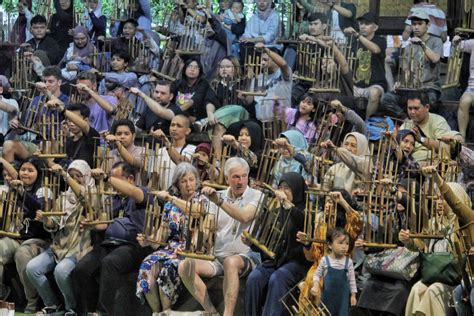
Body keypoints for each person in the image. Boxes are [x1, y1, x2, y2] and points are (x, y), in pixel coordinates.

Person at [178, 157, 262, 316]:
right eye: (236, 177)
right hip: (217, 257)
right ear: (227, 178)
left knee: (231, 262)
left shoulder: (256, 196)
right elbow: (208, 226)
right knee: (185, 266)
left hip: (246, 256)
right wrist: (194, 243)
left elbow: (244, 216)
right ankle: (211, 311)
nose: (241, 181)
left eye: (244, 176)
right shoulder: (219, 196)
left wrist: (219, 201)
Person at [72, 162, 151, 315]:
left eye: (116, 180)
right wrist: (91, 225)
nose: (111, 184)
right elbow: (103, 224)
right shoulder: (112, 199)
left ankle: (103, 312)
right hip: (108, 244)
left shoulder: (142, 193)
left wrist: (107, 177)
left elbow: (133, 192)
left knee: (109, 263)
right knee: (81, 269)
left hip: (132, 246)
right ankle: (84, 311)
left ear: (130, 179)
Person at [26, 160, 95, 315]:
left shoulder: (92, 195)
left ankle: (71, 308)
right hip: (58, 247)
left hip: (79, 249)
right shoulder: (63, 198)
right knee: (32, 268)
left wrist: (64, 175)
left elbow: (84, 197)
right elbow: (54, 225)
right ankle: (53, 305)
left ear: (86, 176)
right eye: (71, 176)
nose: (74, 179)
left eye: (78, 176)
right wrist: (46, 219)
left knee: (61, 271)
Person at [136, 162, 206, 313]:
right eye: (183, 181)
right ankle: (157, 312)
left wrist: (170, 198)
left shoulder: (202, 201)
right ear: (177, 184)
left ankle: (167, 311)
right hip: (171, 248)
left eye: (191, 179)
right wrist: (148, 240)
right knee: (146, 265)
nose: (188, 184)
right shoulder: (169, 206)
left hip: (192, 249)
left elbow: (196, 213)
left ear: (197, 181)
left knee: (167, 268)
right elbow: (162, 235)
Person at [245, 172, 311, 316]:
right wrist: (252, 244)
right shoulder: (276, 211)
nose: (282, 192)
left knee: (277, 278)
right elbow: (268, 246)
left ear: (297, 189)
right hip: (277, 261)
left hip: (298, 263)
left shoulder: (306, 212)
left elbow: (302, 221)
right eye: (280, 187)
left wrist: (288, 205)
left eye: (287, 188)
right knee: (254, 278)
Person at [0, 157, 51, 313]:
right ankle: (2, 293)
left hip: (38, 240)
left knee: (22, 254)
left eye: (30, 170)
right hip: (14, 237)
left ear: (38, 173)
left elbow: (39, 208)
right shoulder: (12, 189)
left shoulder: (44, 190)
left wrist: (22, 192)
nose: (25, 173)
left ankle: (32, 301)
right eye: (23, 169)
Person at [379, 11, 443, 120]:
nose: (416, 27)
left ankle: (423, 125)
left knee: (430, 101)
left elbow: (435, 58)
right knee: (386, 99)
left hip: (429, 88)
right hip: (411, 90)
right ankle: (407, 121)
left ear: (428, 25)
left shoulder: (436, 41)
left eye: (419, 24)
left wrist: (422, 44)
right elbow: (406, 71)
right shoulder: (409, 46)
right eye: (413, 24)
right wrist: (401, 83)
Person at [3, 66, 69, 163]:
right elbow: (23, 128)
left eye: (50, 81)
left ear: (59, 82)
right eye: (45, 81)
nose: (46, 85)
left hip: (58, 144)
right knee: (8, 145)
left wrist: (46, 92)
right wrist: (16, 126)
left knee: (46, 147)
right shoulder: (36, 101)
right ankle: (10, 176)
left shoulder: (67, 100)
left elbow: (63, 109)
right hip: (38, 142)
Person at [344, 12, 387, 119]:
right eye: (361, 23)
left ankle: (367, 124)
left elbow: (376, 50)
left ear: (375, 27)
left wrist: (358, 35)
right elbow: (346, 60)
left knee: (374, 93)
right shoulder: (353, 41)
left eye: (367, 24)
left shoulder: (381, 40)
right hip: (356, 84)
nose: (362, 26)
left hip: (375, 84)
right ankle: (352, 122)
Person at [312, 227, 357, 315]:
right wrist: (316, 285)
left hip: (342, 301)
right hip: (327, 300)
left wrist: (353, 295)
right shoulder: (325, 260)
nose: (344, 246)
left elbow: (352, 280)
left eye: (347, 243)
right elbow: (317, 275)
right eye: (340, 243)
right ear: (330, 245)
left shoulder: (349, 262)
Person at [399, 91, 451, 163]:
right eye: (410, 108)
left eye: (416, 108)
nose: (412, 112)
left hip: (432, 164)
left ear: (427, 107)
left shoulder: (439, 122)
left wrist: (421, 139)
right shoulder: (405, 125)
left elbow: (445, 147)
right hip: (410, 165)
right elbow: (398, 149)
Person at [151, 114, 196, 190]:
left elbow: (181, 163)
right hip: (163, 196)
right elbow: (154, 179)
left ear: (187, 131)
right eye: (172, 125)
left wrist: (165, 140)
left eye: (179, 126)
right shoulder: (160, 151)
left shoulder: (192, 150)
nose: (174, 129)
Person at [452, 34, 474, 139]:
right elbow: (459, 45)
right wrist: (456, 40)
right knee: (464, 101)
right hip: (472, 86)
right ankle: (462, 137)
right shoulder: (473, 43)